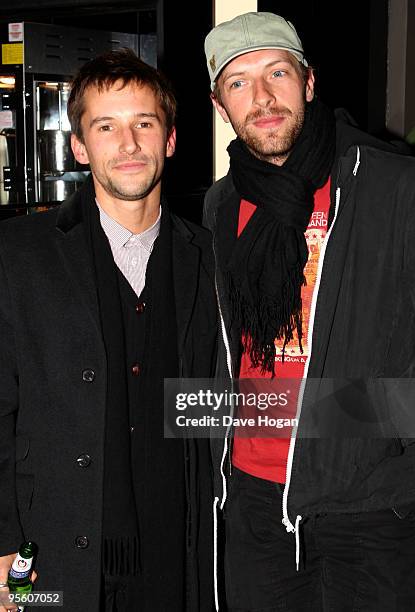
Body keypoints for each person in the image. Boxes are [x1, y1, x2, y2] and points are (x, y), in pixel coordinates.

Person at [204, 11, 415, 612]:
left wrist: (389, 453)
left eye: (278, 73)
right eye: (239, 83)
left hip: (371, 508)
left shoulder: (391, 186)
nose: (263, 97)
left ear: (310, 82)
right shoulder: (222, 206)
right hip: (252, 503)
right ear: (220, 105)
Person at [0, 48, 217, 612]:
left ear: (169, 140)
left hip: (179, 555)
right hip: (49, 561)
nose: (128, 144)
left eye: (144, 123)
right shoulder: (18, 255)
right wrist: (4, 558)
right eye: (106, 126)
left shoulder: (209, 257)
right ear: (79, 146)